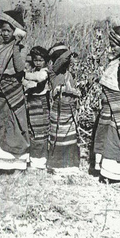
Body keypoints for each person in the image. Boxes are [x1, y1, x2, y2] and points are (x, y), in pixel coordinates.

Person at [0, 10, 30, 172]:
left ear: (16, 32)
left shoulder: (21, 49)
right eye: (2, 30)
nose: (4, 33)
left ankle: (14, 163)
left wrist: (16, 46)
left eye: (8, 30)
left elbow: (20, 68)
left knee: (13, 126)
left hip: (12, 94)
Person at [93, 26, 120, 182]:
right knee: (104, 133)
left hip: (118, 104)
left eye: (114, 46)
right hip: (107, 104)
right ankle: (104, 171)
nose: (111, 49)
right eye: (110, 45)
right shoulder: (113, 61)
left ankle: (114, 174)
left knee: (116, 134)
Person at [47, 43, 81, 175]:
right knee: (58, 135)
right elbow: (61, 60)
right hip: (59, 109)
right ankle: (57, 165)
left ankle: (69, 165)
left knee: (69, 136)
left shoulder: (68, 74)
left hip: (69, 109)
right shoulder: (53, 73)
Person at [22, 46, 51, 169]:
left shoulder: (44, 72)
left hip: (41, 102)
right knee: (32, 129)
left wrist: (24, 75)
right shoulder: (33, 71)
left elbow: (39, 78)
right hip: (32, 102)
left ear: (45, 61)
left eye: (40, 60)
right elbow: (28, 83)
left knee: (41, 130)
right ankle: (33, 158)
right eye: (35, 60)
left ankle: (40, 160)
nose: (38, 62)